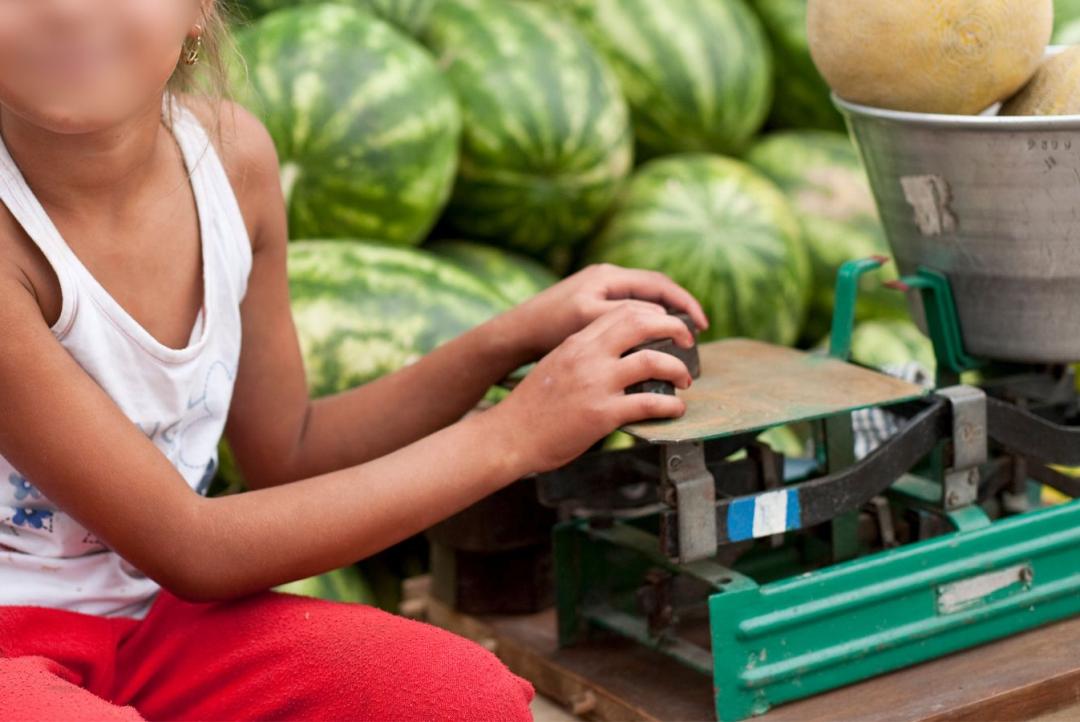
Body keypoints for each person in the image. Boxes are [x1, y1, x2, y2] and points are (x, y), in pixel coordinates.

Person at [0, 1, 707, 719]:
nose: (66, 9)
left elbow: (292, 452)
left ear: (196, 10)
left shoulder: (231, 159)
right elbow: (195, 549)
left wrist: (510, 338)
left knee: (461, 699)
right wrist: (513, 435)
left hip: (153, 631)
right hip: (12, 647)